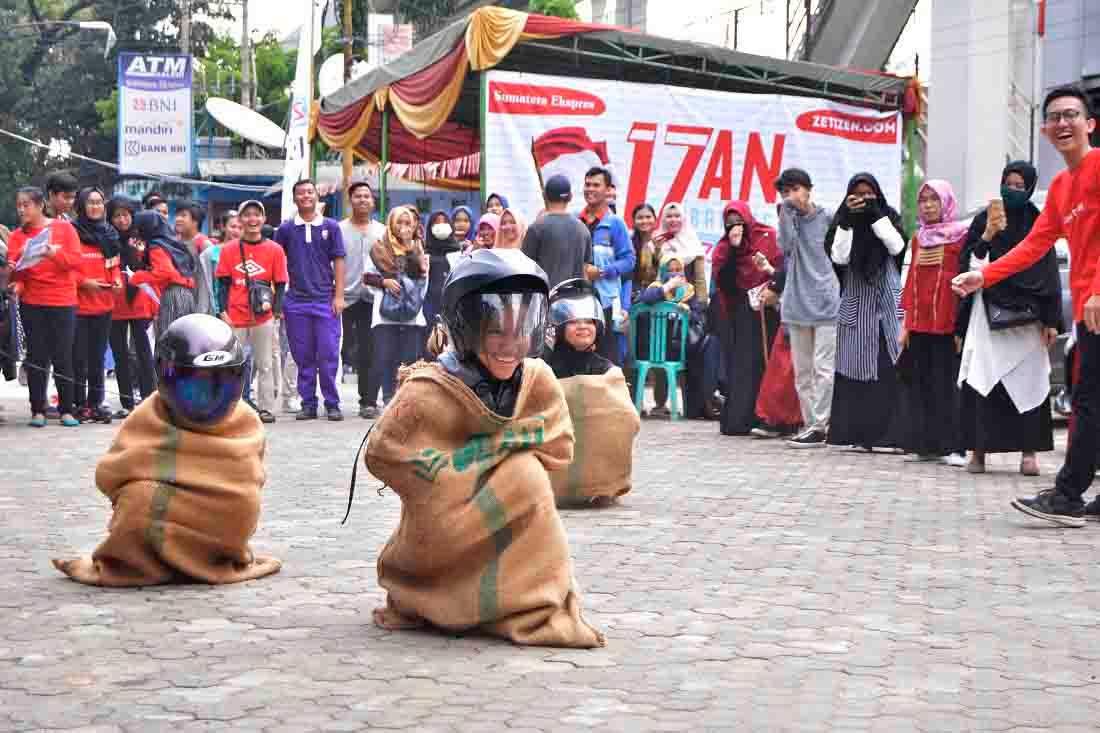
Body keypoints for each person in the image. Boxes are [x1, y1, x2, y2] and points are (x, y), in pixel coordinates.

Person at [360, 248, 604, 648]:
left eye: (520, 330)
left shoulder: (537, 379)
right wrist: (482, 463)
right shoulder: (427, 391)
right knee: (524, 472)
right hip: (439, 542)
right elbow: (384, 454)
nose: (510, 346)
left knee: (527, 477)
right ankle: (446, 594)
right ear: (464, 327)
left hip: (510, 523)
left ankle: (521, 596)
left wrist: (494, 462)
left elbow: (560, 447)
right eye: (495, 331)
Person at [952, 87, 1100, 527]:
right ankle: (1073, 493)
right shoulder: (1061, 187)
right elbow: (1036, 245)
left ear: (1090, 124)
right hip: (1089, 312)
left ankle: (1069, 494)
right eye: (1054, 117)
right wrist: (986, 274)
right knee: (1092, 400)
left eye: (1072, 115)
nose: (1063, 123)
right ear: (1044, 130)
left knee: (1090, 402)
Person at [52, 314, 282, 586]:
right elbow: (110, 475)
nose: (207, 398)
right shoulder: (149, 416)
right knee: (140, 500)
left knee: (236, 502)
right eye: (195, 386)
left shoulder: (246, 423)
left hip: (226, 531)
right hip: (163, 531)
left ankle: (167, 550)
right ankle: (150, 549)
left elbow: (250, 481)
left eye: (219, 383)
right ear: (165, 376)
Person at [955, 161, 1060, 475]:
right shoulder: (985, 220)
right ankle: (978, 452)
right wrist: (987, 235)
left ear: (1028, 188)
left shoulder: (1038, 222)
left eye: (1019, 185)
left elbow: (1049, 273)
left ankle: (1029, 453)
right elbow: (970, 267)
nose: (1012, 190)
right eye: (1008, 183)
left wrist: (1052, 320)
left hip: (1027, 319)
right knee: (982, 379)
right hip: (987, 316)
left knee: (1028, 383)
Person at [824, 172, 908, 451]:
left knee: (889, 367)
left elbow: (897, 246)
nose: (864, 199)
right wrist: (848, 220)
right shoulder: (842, 221)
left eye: (869, 193)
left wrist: (875, 216)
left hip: (886, 303)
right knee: (857, 368)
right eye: (858, 195)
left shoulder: (888, 216)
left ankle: (892, 437)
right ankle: (859, 436)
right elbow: (839, 257)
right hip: (857, 301)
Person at [543, 278, 639, 506]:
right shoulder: (543, 368)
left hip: (595, 468)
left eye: (589, 321)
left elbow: (626, 419)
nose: (583, 326)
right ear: (558, 326)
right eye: (574, 321)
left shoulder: (606, 369)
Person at [899, 179, 968, 465]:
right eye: (924, 200)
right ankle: (926, 445)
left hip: (947, 324)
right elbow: (911, 280)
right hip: (920, 325)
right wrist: (905, 324)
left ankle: (954, 446)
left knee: (947, 386)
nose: (928, 206)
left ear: (946, 203)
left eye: (934, 200)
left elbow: (965, 279)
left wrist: (960, 326)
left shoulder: (961, 236)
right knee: (922, 384)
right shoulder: (918, 239)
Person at [6, 186, 82, 427]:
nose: (21, 210)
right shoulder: (18, 235)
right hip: (32, 303)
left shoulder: (64, 229)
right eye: (19, 205)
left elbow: (75, 262)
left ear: (40, 206)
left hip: (62, 301)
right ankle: (37, 409)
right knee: (36, 356)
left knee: (63, 355)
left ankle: (66, 410)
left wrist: (53, 255)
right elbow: (17, 273)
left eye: (26, 205)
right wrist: (16, 285)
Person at [774, 167, 838, 448]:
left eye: (794, 189)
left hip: (825, 300)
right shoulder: (788, 218)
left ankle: (822, 424)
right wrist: (786, 214)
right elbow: (786, 247)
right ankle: (811, 424)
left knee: (824, 368)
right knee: (802, 372)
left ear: (808, 188)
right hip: (796, 302)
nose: (791, 196)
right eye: (785, 192)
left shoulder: (828, 216)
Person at [273, 179, 347, 421]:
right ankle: (308, 403)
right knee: (302, 355)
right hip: (295, 302)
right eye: (300, 193)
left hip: (325, 300)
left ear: (317, 196)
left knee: (327, 353)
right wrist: (279, 300)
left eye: (309, 192)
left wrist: (338, 296)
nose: (305, 196)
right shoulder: (285, 229)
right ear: (294, 199)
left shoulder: (331, 227)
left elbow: (338, 261)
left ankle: (332, 403)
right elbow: (275, 262)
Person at [711, 200, 784, 435]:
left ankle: (771, 417)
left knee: (770, 362)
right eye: (730, 223)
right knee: (745, 366)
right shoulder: (723, 249)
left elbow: (783, 267)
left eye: (740, 221)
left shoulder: (767, 236)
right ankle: (743, 418)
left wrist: (772, 286)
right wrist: (734, 248)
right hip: (742, 314)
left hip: (771, 310)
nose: (736, 226)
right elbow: (725, 286)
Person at [216, 200, 289, 424]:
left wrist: (276, 312)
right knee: (231, 364)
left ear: (264, 219)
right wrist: (222, 311)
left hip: (262, 316)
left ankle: (266, 408)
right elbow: (223, 284)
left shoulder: (275, 249)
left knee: (265, 363)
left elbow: (281, 283)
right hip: (235, 317)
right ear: (240, 220)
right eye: (247, 215)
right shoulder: (229, 250)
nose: (252, 219)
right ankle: (229, 407)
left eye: (257, 215)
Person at [363, 206, 429, 414]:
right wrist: (385, 283)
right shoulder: (379, 248)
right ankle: (371, 402)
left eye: (408, 223)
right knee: (382, 357)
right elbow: (367, 277)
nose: (403, 227)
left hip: (411, 315)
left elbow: (423, 283)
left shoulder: (418, 250)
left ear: (414, 226)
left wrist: (412, 294)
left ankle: (405, 401)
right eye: (399, 222)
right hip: (384, 314)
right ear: (391, 224)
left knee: (410, 358)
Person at [71, 187, 121, 424]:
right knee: (78, 357)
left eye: (99, 202)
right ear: (81, 205)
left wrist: (118, 280)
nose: (95, 207)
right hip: (77, 306)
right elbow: (65, 269)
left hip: (104, 304)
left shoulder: (110, 233)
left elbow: (114, 265)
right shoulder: (71, 232)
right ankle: (78, 404)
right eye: (90, 202)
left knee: (97, 357)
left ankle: (96, 403)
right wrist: (84, 283)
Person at [339, 180, 387, 418]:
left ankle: (368, 400)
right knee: (346, 349)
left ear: (373, 201)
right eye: (358, 196)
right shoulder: (338, 229)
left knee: (371, 350)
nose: (363, 200)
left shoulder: (383, 231)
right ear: (351, 200)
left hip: (373, 298)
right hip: (344, 298)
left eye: (367, 196)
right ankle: (330, 399)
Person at [106, 197, 157, 419]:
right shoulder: (106, 239)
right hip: (115, 300)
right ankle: (127, 402)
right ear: (111, 218)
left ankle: (149, 399)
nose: (122, 219)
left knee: (144, 352)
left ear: (133, 215)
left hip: (140, 300)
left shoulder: (144, 239)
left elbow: (152, 267)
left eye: (126, 214)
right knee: (120, 354)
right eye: (116, 215)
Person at [580, 167, 635, 366]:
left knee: (607, 360)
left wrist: (602, 272)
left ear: (607, 190)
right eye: (587, 184)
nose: (590, 189)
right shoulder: (577, 221)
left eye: (596, 185)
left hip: (607, 303)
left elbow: (629, 261)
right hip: (579, 301)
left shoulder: (615, 224)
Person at [127, 210, 198, 336]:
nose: (136, 232)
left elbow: (164, 272)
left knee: (168, 339)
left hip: (173, 296)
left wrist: (137, 277)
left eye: (138, 228)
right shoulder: (172, 243)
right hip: (187, 295)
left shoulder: (156, 246)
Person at [522, 175, 593, 288]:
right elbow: (585, 271)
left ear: (544, 196)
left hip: (546, 300)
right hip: (575, 300)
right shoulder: (583, 229)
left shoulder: (536, 228)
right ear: (570, 197)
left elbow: (525, 270)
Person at [423, 209, 462, 331]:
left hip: (452, 306)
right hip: (429, 306)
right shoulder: (423, 251)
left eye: (444, 221)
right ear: (430, 227)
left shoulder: (458, 251)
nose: (441, 225)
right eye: (436, 222)